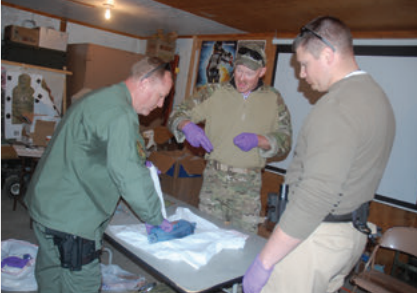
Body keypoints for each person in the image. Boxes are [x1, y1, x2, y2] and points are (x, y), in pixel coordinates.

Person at [243, 16, 396, 293]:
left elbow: (317, 194)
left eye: (304, 64)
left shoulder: (337, 104)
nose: (301, 74)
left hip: (315, 238)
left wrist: (265, 261)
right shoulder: (376, 96)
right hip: (349, 235)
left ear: (327, 54)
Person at [25, 56, 174, 293]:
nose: (160, 105)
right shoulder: (121, 114)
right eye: (161, 96)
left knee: (51, 276)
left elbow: (90, 150)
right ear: (144, 83)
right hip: (72, 222)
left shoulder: (99, 97)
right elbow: (129, 176)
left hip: (45, 206)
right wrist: (155, 217)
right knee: (81, 285)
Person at [168, 44, 292, 233]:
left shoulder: (273, 99)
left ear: (262, 72)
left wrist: (260, 140)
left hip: (248, 186)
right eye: (239, 71)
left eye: (249, 73)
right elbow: (176, 114)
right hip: (213, 181)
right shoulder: (213, 91)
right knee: (206, 234)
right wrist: (186, 126)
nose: (241, 78)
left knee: (242, 240)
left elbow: (285, 139)